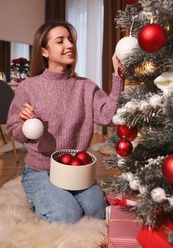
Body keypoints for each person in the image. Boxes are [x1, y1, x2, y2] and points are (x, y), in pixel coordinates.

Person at [6, 21, 124, 224]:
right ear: (44, 52)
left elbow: (108, 117)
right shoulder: (29, 87)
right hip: (40, 170)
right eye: (60, 41)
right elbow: (14, 130)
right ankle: (40, 200)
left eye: (70, 40)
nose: (69, 45)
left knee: (97, 211)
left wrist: (118, 77)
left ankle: (55, 199)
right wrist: (24, 123)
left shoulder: (85, 87)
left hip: (76, 170)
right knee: (67, 216)